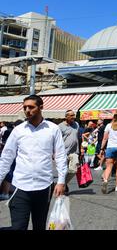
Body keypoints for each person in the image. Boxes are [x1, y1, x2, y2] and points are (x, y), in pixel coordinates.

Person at [0, 95, 67, 230]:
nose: (27, 110)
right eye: (25, 107)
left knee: (39, 226)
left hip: (44, 186)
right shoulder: (18, 130)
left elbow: (60, 156)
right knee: (18, 227)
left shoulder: (53, 129)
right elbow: (7, 157)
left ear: (41, 107)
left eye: (31, 107)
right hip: (20, 187)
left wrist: (61, 181)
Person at [58, 110, 80, 195]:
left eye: (74, 115)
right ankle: (63, 185)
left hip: (74, 151)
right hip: (63, 152)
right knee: (63, 171)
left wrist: (81, 148)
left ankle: (63, 184)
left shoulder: (76, 125)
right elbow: (56, 140)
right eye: (71, 115)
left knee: (73, 170)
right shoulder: (60, 126)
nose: (73, 117)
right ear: (66, 117)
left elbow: (78, 137)